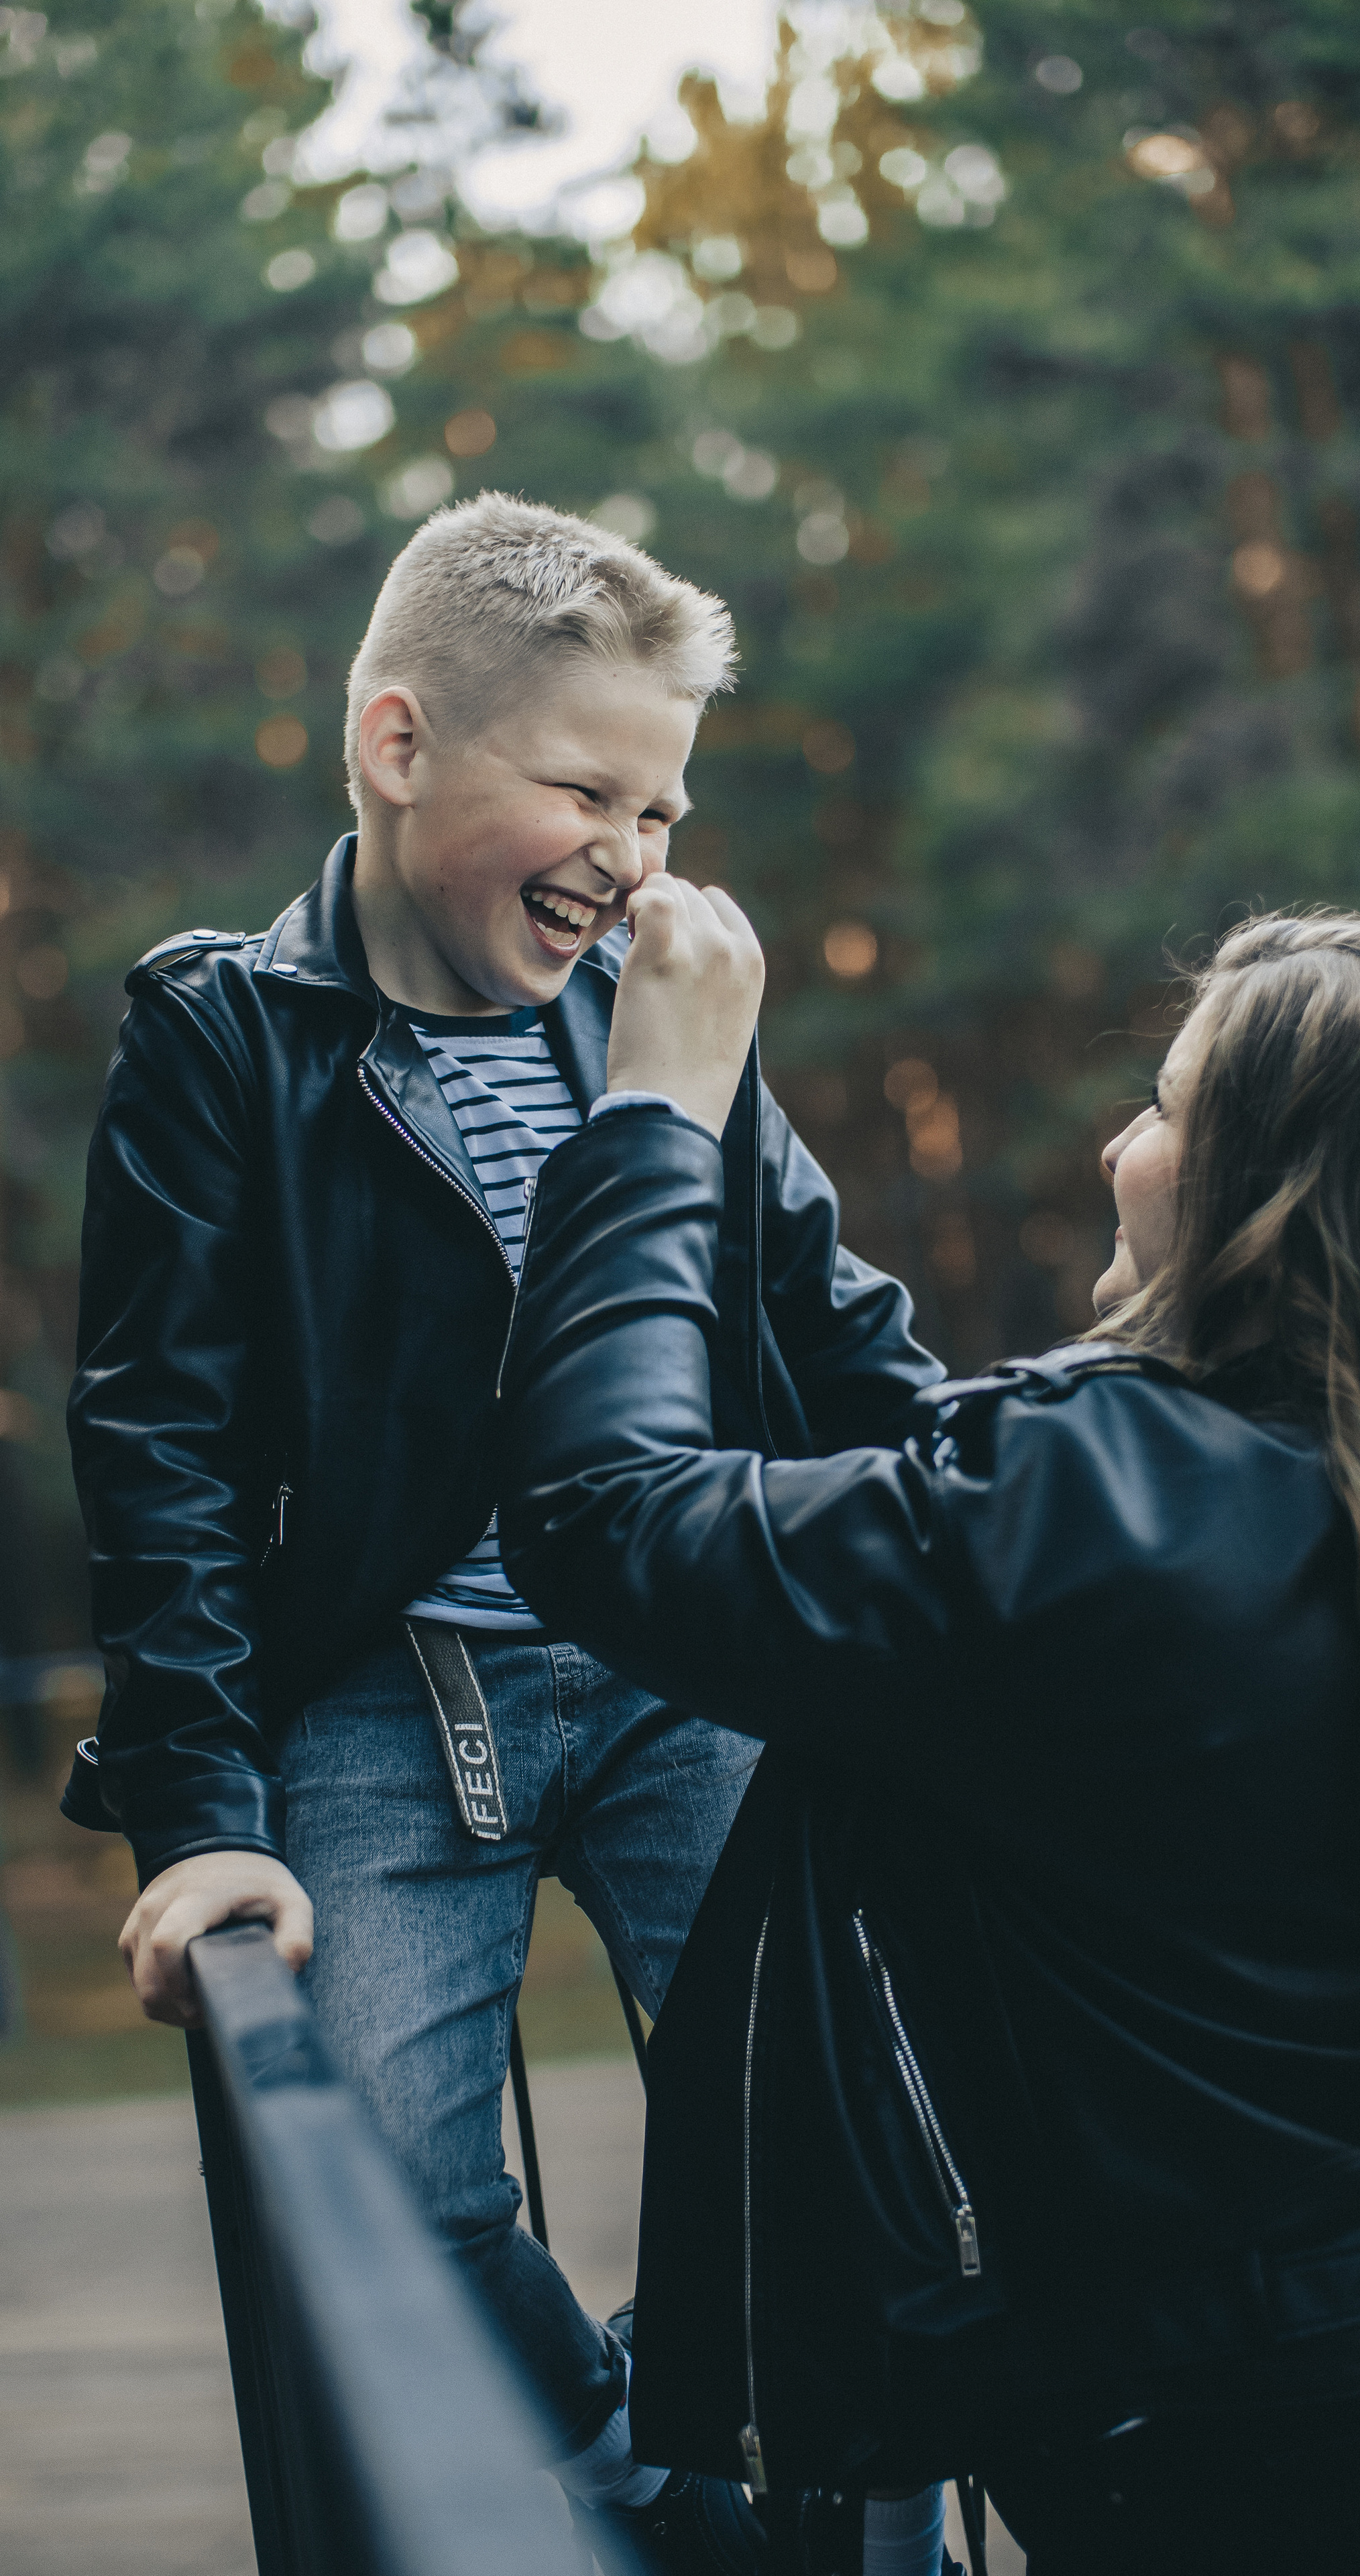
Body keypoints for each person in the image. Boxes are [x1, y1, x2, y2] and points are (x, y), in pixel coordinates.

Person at [497, 892, 1360, 2575]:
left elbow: (603, 1514)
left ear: (1270, 1200)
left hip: (1256, 2481)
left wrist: (647, 1122)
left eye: (1163, 1106)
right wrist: (736, 1113)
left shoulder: (1092, 1510)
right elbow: (937, 1474)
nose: (1113, 1145)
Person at [62, 495, 942, 2576]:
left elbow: (835, 1332)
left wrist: (1041, 1551)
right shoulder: (222, 1037)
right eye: (585, 790)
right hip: (388, 1685)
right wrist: (200, 1806)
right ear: (395, 749)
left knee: (845, 2128)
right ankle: (664, 2492)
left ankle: (839, 2530)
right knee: (368, 2169)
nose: (635, 856)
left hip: (678, 1662)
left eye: (665, 806)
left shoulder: (663, 1016)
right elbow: (159, 1439)